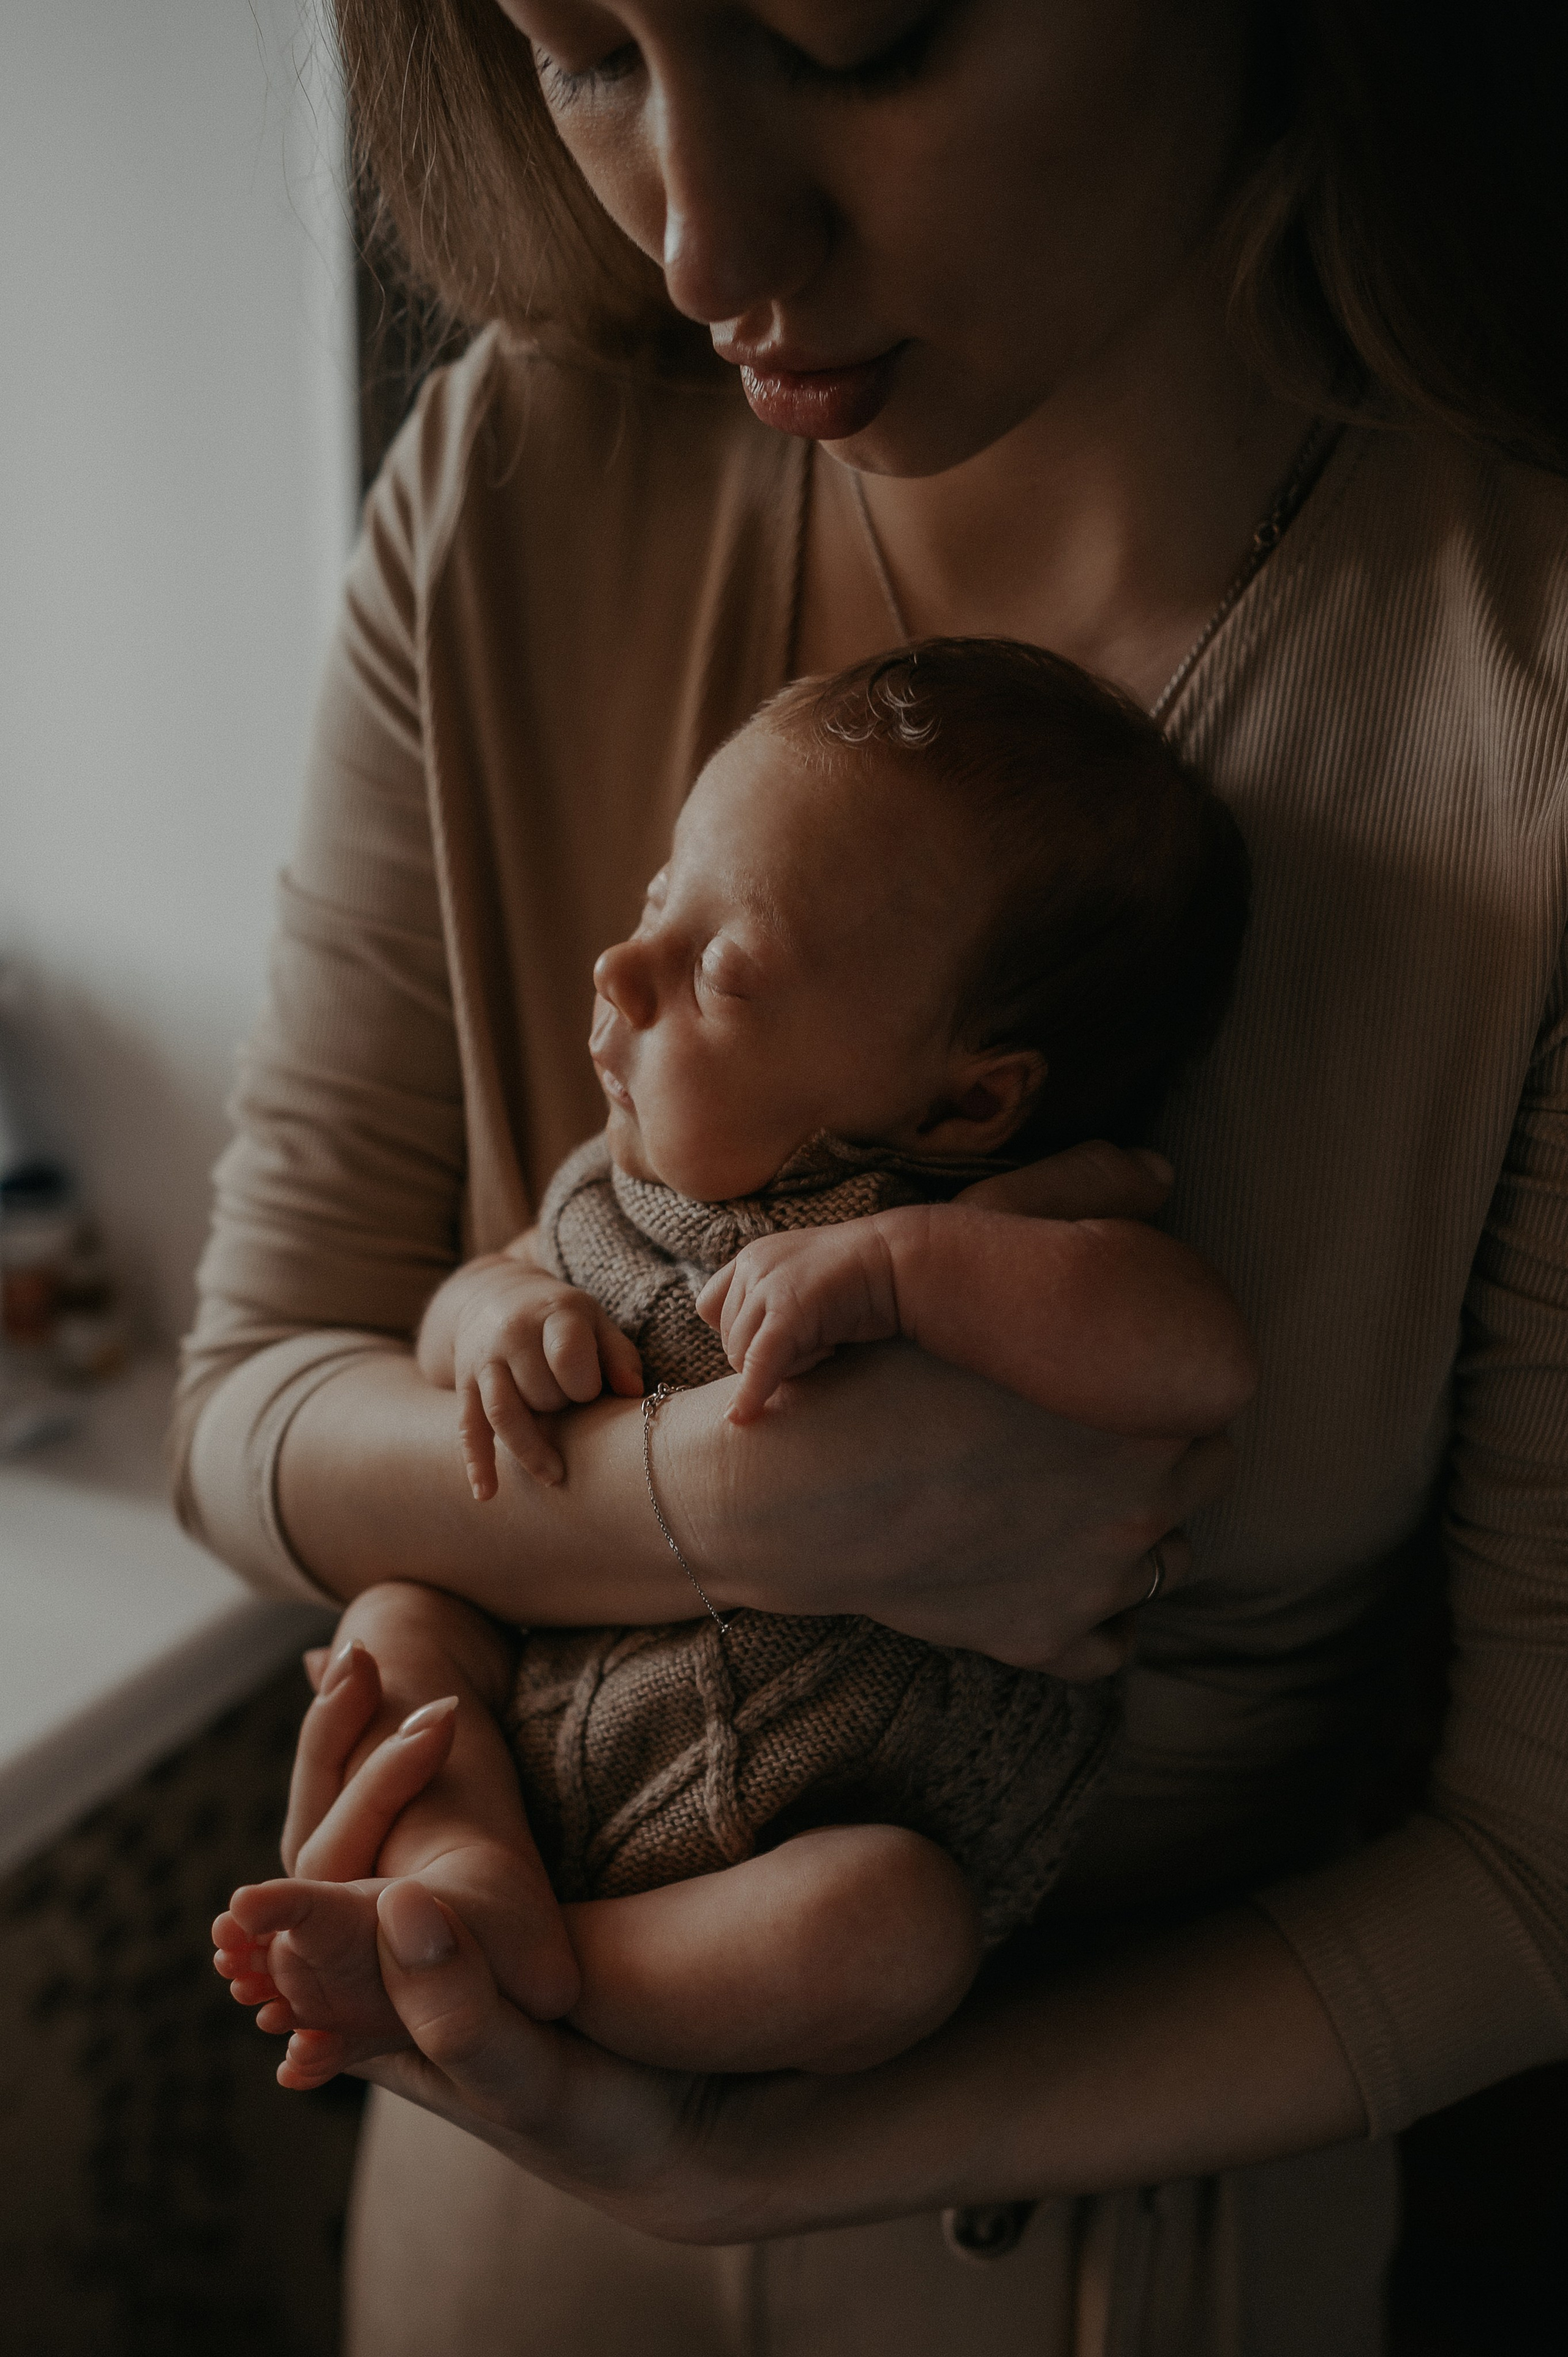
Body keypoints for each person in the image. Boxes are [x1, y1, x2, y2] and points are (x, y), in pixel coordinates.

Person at [171, 0, 1568, 2348]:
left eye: (861, 35)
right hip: (487, 2240)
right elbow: (241, 1402)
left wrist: (741, 2149)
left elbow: (1536, 1874)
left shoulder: (1521, 697)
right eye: (584, 51)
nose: (706, 246)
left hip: (1104, 2262)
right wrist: (721, 1504)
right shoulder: (512, 483)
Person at [209, 638, 1256, 2087]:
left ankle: (535, 1981)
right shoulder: (606, 1195)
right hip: (541, 1716)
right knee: (393, 1627)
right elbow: (455, 1312)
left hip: (819, 1823)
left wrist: (898, 1271)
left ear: (965, 1103)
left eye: (717, 967)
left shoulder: (1003, 1219)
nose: (620, 967)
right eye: (658, 902)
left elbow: (1195, 1362)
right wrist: (491, 1314)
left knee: (892, 1929)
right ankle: (465, 1879)